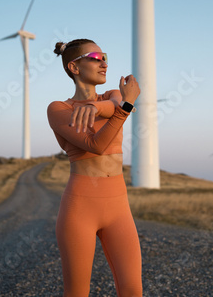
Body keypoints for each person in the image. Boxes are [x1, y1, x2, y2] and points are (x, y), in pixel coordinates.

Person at [47, 38, 142, 296]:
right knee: (77, 292)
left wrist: (97, 107)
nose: (104, 64)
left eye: (105, 57)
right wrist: (122, 109)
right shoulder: (59, 109)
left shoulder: (112, 94)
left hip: (119, 206)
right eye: (96, 58)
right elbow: (96, 145)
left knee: (133, 290)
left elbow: (116, 101)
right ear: (74, 67)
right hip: (80, 208)